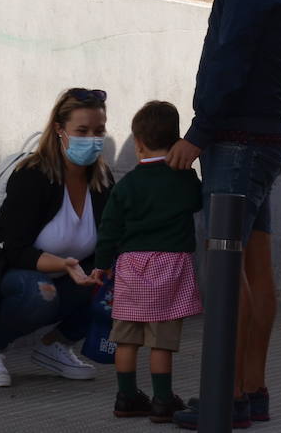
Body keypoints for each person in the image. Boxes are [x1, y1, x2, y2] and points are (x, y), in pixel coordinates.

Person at [168, 0, 281, 430]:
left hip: (239, 140)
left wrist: (198, 132)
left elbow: (232, 56)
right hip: (264, 135)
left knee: (227, 269)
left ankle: (225, 397)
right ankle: (251, 391)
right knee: (255, 266)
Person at [0, 88, 113, 387]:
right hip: (16, 273)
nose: (92, 139)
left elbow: (109, 235)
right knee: (40, 292)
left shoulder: (102, 179)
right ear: (59, 129)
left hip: (70, 273)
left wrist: (105, 267)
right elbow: (14, 249)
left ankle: (55, 345)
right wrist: (63, 265)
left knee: (120, 285)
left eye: (99, 130)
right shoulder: (34, 175)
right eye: (82, 130)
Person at [94, 101, 203, 423]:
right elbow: (199, 202)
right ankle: (162, 400)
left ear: (138, 143)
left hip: (130, 266)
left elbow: (109, 227)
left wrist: (101, 264)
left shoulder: (126, 185)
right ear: (176, 140)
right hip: (171, 265)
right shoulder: (184, 179)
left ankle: (126, 397)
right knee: (161, 341)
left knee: (127, 336)